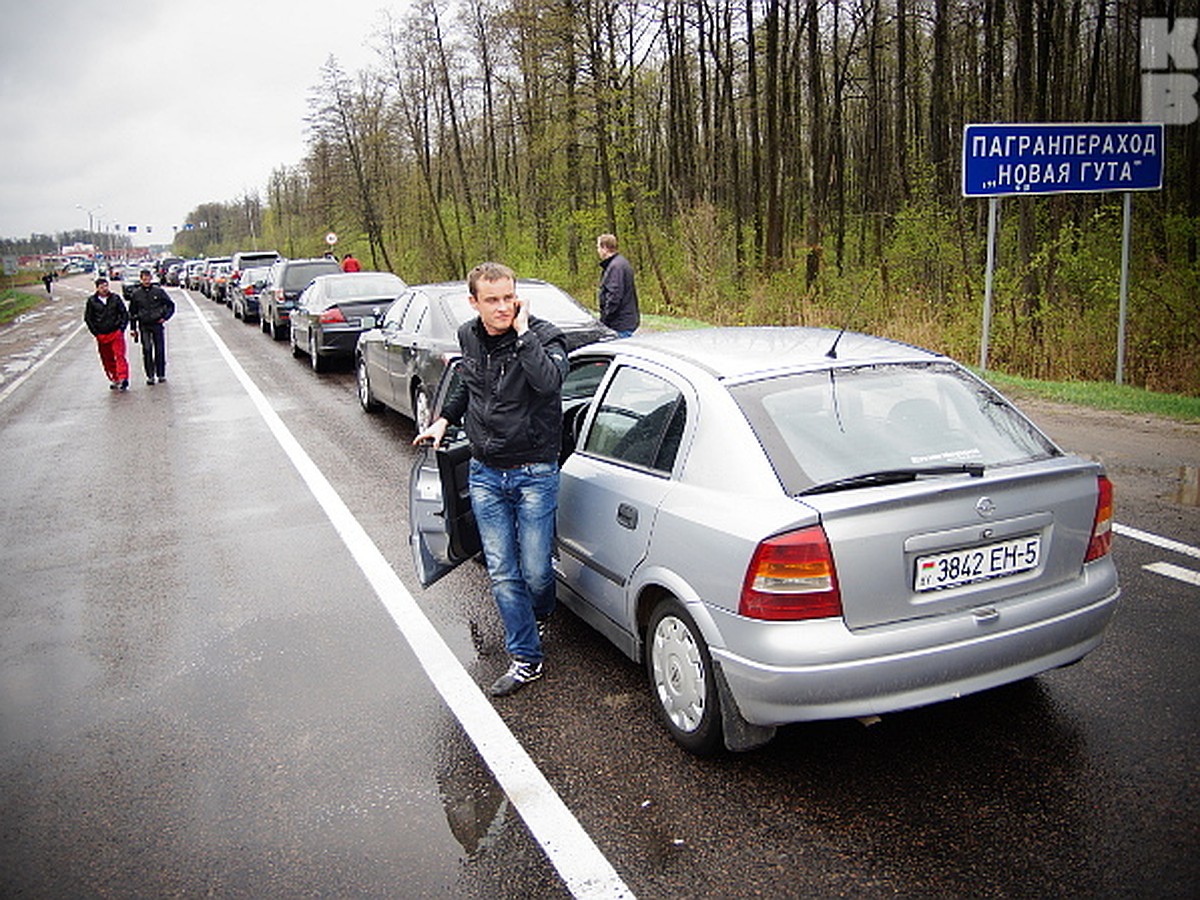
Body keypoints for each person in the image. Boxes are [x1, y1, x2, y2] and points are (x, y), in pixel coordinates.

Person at [413, 262, 568, 697]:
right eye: (493, 300)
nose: (503, 307)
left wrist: (523, 334)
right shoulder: (468, 336)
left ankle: (539, 611)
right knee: (503, 570)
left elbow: (549, 382)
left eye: (509, 298)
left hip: (535, 471)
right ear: (474, 302)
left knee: (537, 572)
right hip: (484, 472)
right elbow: (468, 382)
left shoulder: (546, 336)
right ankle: (525, 658)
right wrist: (444, 419)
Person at [126, 268, 175, 385]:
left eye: (148, 279)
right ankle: (150, 375)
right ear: (141, 279)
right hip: (144, 325)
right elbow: (132, 312)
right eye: (144, 279)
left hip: (157, 324)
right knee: (147, 349)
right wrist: (133, 328)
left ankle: (161, 374)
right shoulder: (136, 294)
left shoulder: (158, 292)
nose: (146, 281)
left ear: (151, 279)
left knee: (159, 349)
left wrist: (165, 317)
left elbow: (170, 305)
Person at [83, 277, 130, 391]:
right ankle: (115, 378)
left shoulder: (115, 298)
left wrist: (121, 329)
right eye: (102, 287)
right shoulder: (92, 301)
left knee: (119, 355)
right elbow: (89, 318)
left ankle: (123, 378)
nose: (104, 289)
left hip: (116, 332)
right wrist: (96, 333)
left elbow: (124, 314)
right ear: (97, 288)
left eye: (106, 286)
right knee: (107, 358)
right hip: (102, 335)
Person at [596, 233, 640, 338]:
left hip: (619, 324)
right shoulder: (620, 263)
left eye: (598, 247)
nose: (598, 251)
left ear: (604, 248)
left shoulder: (616, 267)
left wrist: (604, 320)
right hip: (624, 321)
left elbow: (614, 296)